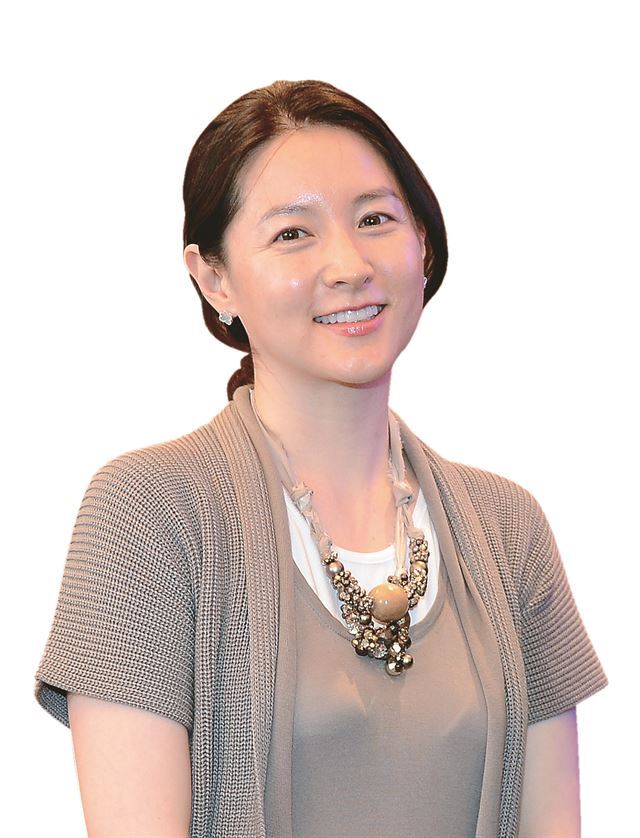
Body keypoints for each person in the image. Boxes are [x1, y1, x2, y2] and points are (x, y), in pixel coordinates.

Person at [34, 79, 608, 838]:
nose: (348, 263)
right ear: (214, 278)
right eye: (293, 234)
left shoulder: (509, 529)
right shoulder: (146, 513)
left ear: (423, 243)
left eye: (375, 219)